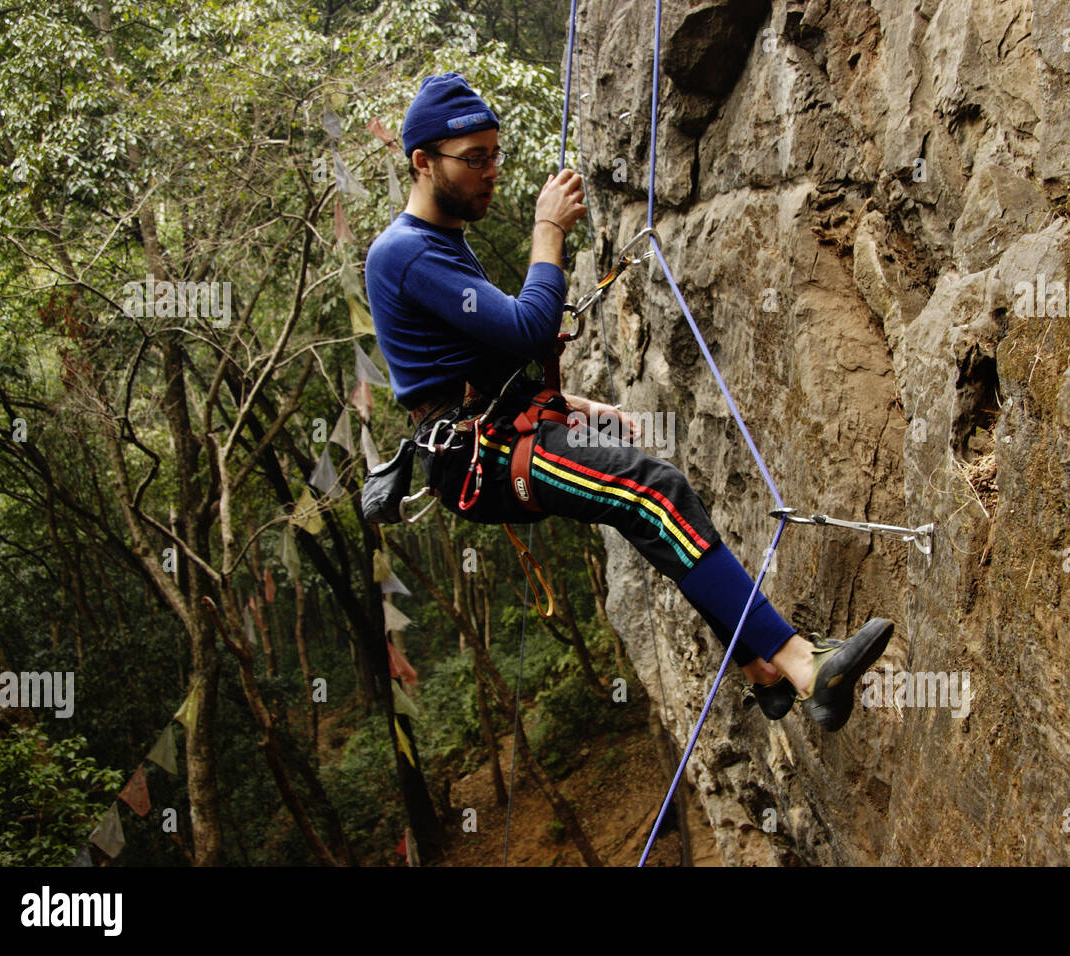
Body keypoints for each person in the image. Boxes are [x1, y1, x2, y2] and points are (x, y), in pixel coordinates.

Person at [365, 73, 893, 731]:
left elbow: (485, 363)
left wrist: (574, 405)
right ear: (422, 161)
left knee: (658, 499)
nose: (491, 172)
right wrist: (547, 231)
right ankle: (805, 665)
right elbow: (527, 329)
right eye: (474, 158)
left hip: (492, 436)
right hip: (477, 458)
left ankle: (760, 665)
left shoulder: (440, 246)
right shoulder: (406, 253)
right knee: (653, 493)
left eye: (494, 156)